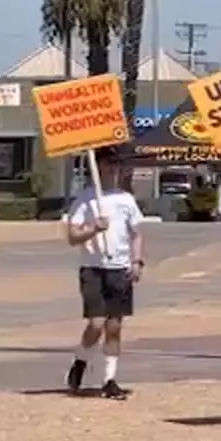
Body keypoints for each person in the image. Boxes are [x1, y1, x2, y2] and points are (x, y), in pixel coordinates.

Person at [64, 146, 146, 400]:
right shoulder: (85, 199)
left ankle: (109, 379)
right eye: (106, 164)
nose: (111, 169)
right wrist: (93, 229)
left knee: (114, 326)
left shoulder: (126, 199)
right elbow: (73, 236)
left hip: (119, 267)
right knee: (96, 323)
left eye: (114, 165)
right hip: (93, 267)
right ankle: (81, 360)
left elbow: (136, 234)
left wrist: (137, 262)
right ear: (97, 168)